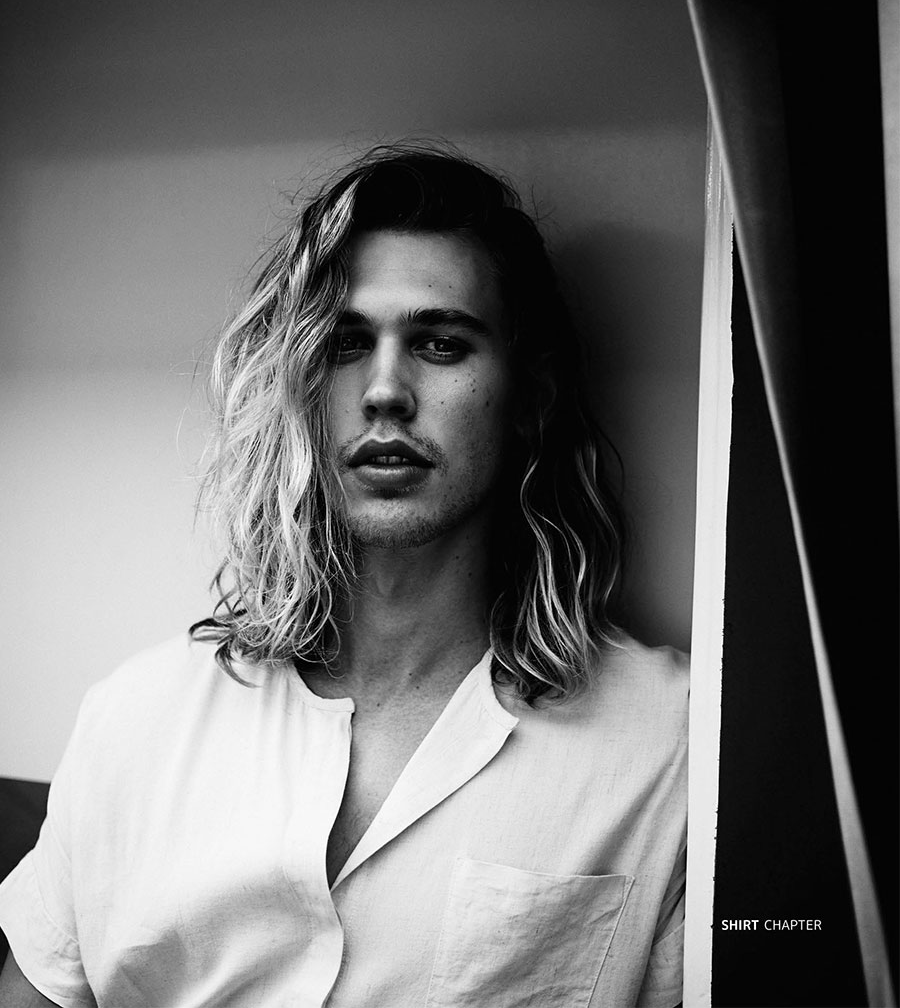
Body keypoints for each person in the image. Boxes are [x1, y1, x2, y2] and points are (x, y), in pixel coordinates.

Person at [0, 142, 688, 1008]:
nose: (385, 390)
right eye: (346, 343)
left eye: (441, 344)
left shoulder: (666, 746)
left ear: (531, 396)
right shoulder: (135, 722)